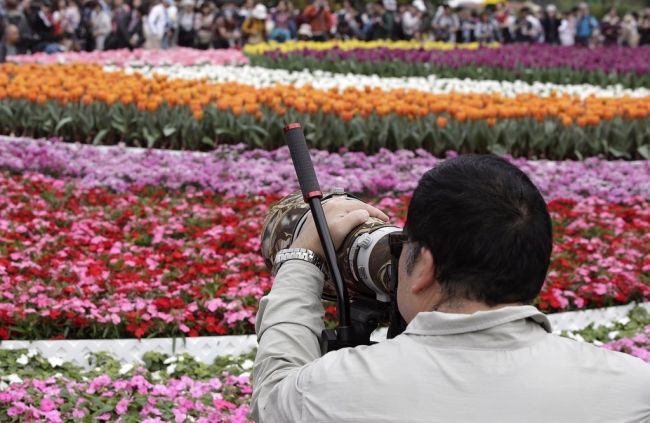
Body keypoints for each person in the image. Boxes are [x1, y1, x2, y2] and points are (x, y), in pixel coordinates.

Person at [251, 155, 650, 423]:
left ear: (423, 266)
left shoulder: (336, 390)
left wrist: (302, 257)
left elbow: (272, 400)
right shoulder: (633, 389)